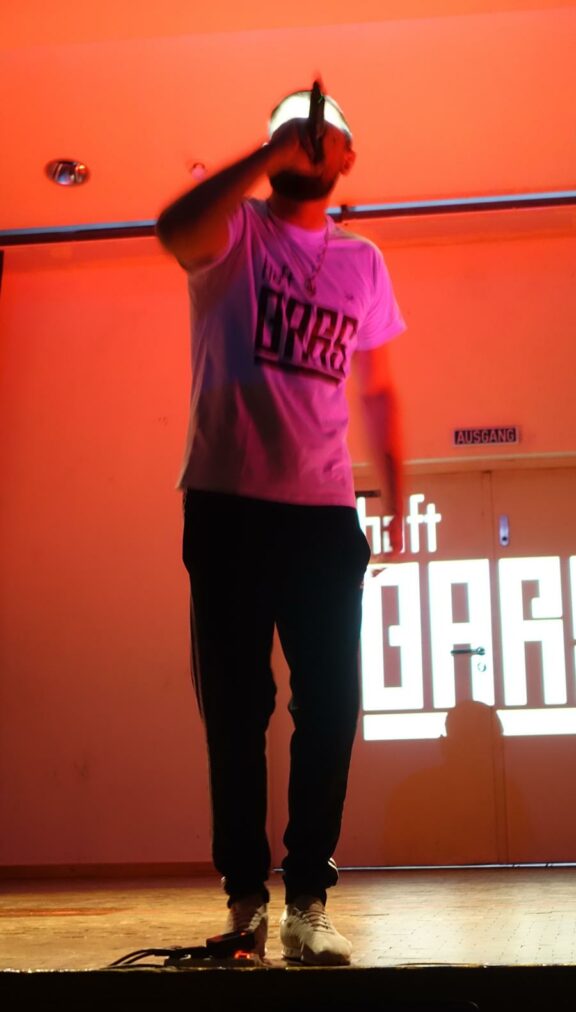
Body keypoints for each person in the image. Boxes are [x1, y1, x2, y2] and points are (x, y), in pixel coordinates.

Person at [155, 87, 407, 966]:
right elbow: (173, 226)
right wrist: (268, 157)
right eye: (291, 133)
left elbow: (377, 384)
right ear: (274, 149)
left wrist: (396, 489)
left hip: (322, 513)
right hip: (226, 504)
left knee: (330, 707)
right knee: (236, 711)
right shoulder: (232, 234)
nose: (309, 140)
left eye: (323, 132)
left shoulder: (362, 261)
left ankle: (307, 900)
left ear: (347, 156)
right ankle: (243, 901)